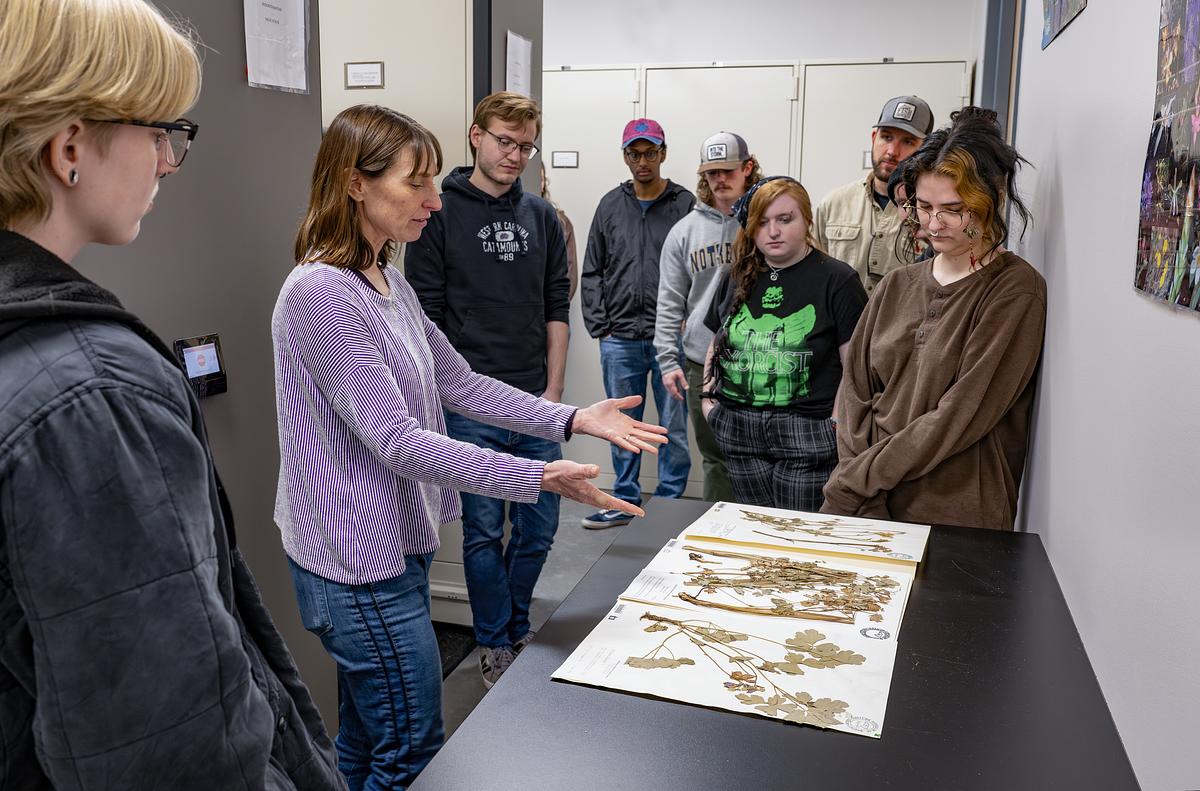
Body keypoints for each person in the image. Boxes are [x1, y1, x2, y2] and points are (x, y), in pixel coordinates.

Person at [0, 1, 344, 788]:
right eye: (159, 131)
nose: (166, 160)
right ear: (70, 144)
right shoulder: (93, 399)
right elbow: (177, 748)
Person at [273, 104, 667, 790]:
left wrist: (572, 416)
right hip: (355, 568)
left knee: (371, 741)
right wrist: (539, 475)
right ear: (354, 183)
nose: (433, 199)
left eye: (432, 180)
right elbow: (397, 440)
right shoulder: (322, 295)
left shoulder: (386, 283)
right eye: (415, 182)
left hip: (392, 551)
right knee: (410, 749)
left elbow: (459, 381)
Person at [405, 91, 570, 687]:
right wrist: (443, 397)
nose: (515, 155)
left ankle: (518, 622)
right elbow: (424, 313)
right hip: (468, 405)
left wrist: (552, 393)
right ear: (476, 136)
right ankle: (494, 640)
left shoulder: (543, 217)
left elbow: (558, 306)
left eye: (526, 146)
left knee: (540, 526)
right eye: (505, 141)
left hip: (531, 401)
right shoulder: (438, 210)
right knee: (482, 531)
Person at [821, 107, 1046, 531]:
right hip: (868, 503)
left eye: (953, 209)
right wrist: (859, 485)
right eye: (924, 207)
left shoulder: (1015, 290)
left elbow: (959, 415)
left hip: (953, 512)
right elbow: (855, 393)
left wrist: (857, 481)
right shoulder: (897, 284)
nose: (935, 224)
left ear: (992, 200)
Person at [700, 177, 867, 511]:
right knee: (755, 529)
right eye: (762, 222)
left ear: (807, 220)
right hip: (739, 427)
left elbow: (855, 368)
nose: (772, 231)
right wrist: (708, 401)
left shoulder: (837, 279)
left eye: (785, 219)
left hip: (805, 431)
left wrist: (837, 423)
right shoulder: (737, 274)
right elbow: (717, 342)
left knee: (797, 535)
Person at [580, 118, 695, 527]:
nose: (642, 161)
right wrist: (601, 325)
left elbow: (697, 269)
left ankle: (669, 505)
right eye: (634, 153)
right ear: (625, 156)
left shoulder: (685, 204)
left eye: (650, 152)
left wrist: (687, 320)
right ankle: (624, 499)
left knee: (673, 427)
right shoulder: (611, 204)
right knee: (621, 424)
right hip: (620, 339)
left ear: (663, 153)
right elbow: (592, 268)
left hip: (671, 341)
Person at [654, 131, 762, 502]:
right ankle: (717, 535)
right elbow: (669, 302)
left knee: (761, 456)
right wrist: (668, 361)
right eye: (712, 171)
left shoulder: (766, 222)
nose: (720, 179)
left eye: (728, 170)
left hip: (762, 359)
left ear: (747, 168)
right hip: (703, 361)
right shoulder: (684, 232)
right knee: (715, 458)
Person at [812, 95, 934, 294]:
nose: (892, 151)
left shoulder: (930, 213)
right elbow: (814, 275)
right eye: (886, 137)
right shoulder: (834, 203)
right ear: (873, 138)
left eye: (908, 141)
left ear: (925, 148)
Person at [541, 161, 579, 299]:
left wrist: (555, 312)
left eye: (540, 179)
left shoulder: (561, 222)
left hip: (551, 312)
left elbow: (569, 274)